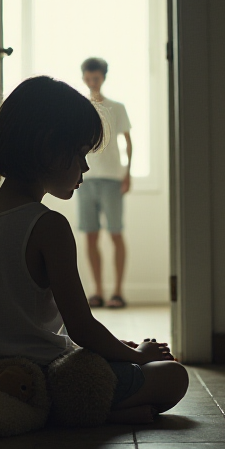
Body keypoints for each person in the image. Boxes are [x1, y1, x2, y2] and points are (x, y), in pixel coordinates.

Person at [0, 76, 188, 423]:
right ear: (48, 147)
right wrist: (138, 357)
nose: (86, 168)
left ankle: (29, 412)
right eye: (79, 154)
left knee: (114, 358)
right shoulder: (48, 225)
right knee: (172, 376)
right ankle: (71, 415)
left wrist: (124, 348)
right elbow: (81, 327)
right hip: (39, 381)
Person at [77, 57, 132, 309]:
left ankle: (118, 292)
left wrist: (127, 173)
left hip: (112, 178)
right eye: (88, 78)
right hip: (86, 179)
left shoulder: (116, 107)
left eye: (95, 78)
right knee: (90, 235)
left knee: (115, 233)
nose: (92, 82)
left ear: (103, 77)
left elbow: (128, 142)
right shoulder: (79, 107)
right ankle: (97, 291)